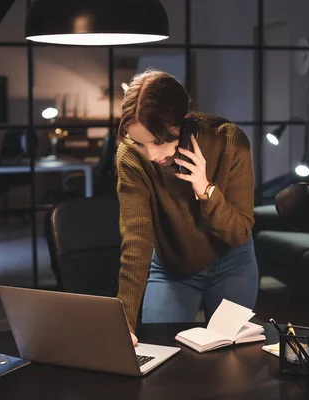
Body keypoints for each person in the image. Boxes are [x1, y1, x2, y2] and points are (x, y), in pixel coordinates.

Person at [115, 69, 258, 345]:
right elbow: (136, 241)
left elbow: (240, 232)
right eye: (141, 144)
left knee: (232, 364)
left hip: (232, 262)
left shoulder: (229, 141)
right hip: (172, 266)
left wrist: (206, 190)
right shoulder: (131, 156)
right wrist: (124, 323)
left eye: (159, 141)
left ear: (186, 123)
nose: (153, 155)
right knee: (159, 349)